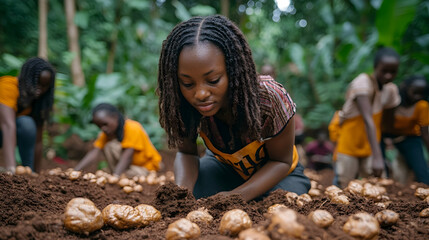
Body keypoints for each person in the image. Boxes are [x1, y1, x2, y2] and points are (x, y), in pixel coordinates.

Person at [157, 15, 310, 202]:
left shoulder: (269, 98)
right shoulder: (182, 102)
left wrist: (235, 197)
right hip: (224, 170)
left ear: (233, 70)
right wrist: (182, 196)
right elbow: (187, 153)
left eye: (213, 81)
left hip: (280, 173)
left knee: (281, 204)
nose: (200, 94)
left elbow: (280, 161)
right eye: (188, 83)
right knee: (197, 195)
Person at [334, 47, 401, 188]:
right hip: (350, 142)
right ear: (376, 67)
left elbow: (387, 122)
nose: (388, 76)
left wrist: (388, 143)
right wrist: (378, 157)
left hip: (371, 143)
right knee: (344, 186)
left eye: (393, 72)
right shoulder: (363, 82)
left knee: (377, 187)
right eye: (384, 71)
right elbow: (368, 120)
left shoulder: (391, 90)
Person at [74, 103, 162, 177]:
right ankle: (117, 172)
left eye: (105, 124)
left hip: (147, 167)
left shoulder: (133, 127)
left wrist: (116, 176)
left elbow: (128, 155)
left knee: (111, 147)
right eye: (99, 126)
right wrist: (75, 171)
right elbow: (94, 152)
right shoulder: (106, 134)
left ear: (115, 117)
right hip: (129, 167)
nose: (103, 128)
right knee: (109, 147)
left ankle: (117, 173)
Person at [0, 57, 56, 173]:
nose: (40, 89)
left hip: (8, 132)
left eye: (45, 86)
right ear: (26, 79)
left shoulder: (36, 102)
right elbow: (8, 126)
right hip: (3, 130)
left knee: (27, 123)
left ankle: (28, 171)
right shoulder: (7, 87)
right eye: (37, 83)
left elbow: (38, 141)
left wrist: (35, 173)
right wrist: (11, 168)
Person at [381, 75, 429, 184]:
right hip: (388, 136)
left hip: (409, 138)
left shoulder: (422, 106)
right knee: (383, 170)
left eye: (421, 93)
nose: (418, 96)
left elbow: (425, 133)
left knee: (422, 171)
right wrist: (387, 140)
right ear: (406, 89)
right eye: (415, 92)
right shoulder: (394, 101)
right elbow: (384, 123)